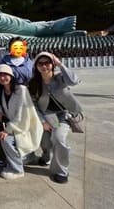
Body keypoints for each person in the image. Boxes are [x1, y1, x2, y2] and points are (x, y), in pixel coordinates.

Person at [29, 51, 83, 184]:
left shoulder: (60, 78)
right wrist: (42, 121)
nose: (44, 66)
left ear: (52, 64)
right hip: (47, 114)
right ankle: (46, 156)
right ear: (36, 66)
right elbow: (34, 105)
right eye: (40, 63)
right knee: (45, 139)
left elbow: (74, 81)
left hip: (64, 114)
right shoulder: (34, 83)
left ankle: (61, 171)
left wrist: (60, 64)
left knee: (58, 138)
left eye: (47, 63)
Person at [0, 63, 43, 180]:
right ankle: (26, 158)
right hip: (16, 127)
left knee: (4, 138)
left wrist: (7, 130)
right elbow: (2, 105)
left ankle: (17, 169)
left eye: (5, 74)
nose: (2, 77)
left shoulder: (21, 90)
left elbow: (22, 117)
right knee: (5, 137)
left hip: (25, 127)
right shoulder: (2, 91)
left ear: (11, 76)